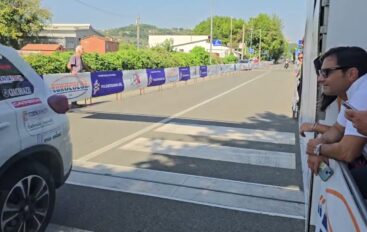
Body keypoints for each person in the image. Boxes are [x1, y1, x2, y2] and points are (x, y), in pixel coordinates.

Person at [304, 47, 367, 197]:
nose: (320, 79)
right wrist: (319, 143)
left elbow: (347, 152)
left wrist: (317, 149)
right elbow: (338, 130)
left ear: (351, 74)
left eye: (326, 72)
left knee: (344, 191)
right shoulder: (354, 91)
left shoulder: (364, 92)